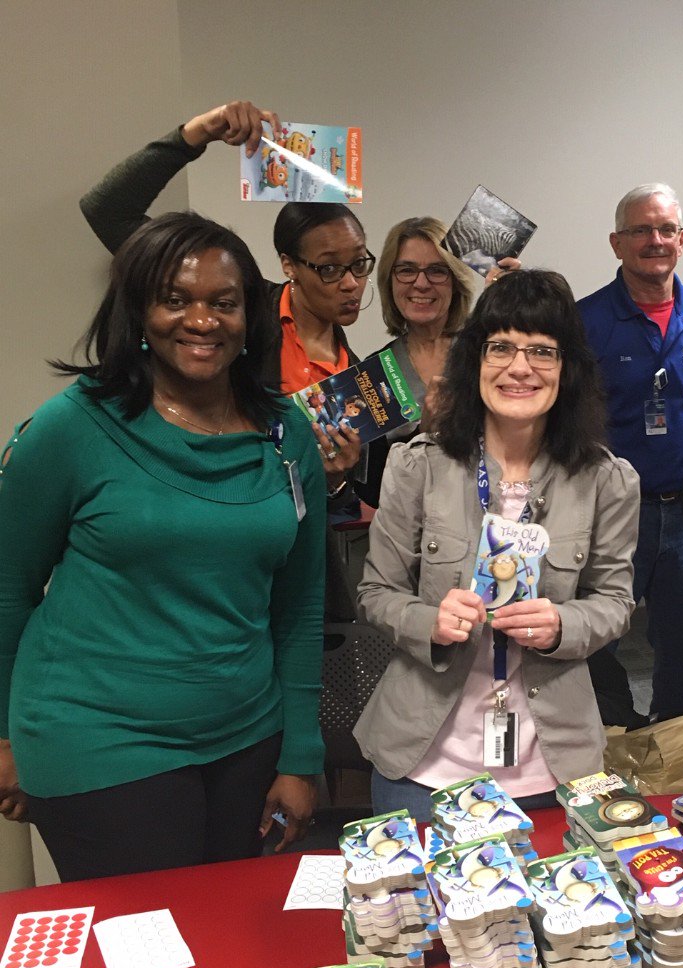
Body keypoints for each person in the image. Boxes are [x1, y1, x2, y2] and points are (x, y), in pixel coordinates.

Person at [0, 212, 326, 880]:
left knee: (238, 941)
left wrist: (302, 755)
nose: (201, 321)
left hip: (246, 737)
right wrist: (3, 736)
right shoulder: (75, 427)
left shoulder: (286, 434)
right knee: (146, 959)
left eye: (224, 303)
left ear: (250, 315)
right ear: (138, 311)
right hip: (99, 737)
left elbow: (300, 604)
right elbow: (8, 586)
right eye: (175, 299)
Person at [355, 270, 639, 823]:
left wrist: (564, 625)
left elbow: (615, 602)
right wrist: (427, 622)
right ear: (475, 362)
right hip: (423, 766)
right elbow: (376, 592)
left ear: (567, 370)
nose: (519, 367)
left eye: (542, 351)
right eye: (501, 347)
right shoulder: (419, 466)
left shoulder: (608, 480)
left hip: (550, 768)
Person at [79, 100, 371, 616]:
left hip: (282, 568)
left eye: (359, 265)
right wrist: (195, 135)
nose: (350, 284)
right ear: (290, 265)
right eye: (329, 269)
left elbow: (319, 495)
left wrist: (336, 478)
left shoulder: (360, 372)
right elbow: (107, 210)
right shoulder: (234, 314)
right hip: (186, 541)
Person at [578, 183, 683, 723]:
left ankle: (679, 750)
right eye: (641, 230)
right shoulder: (585, 320)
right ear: (617, 243)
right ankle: (605, 744)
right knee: (596, 643)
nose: (655, 240)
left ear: (682, 240)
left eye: (665, 230)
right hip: (613, 514)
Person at [351, 216, 474, 508]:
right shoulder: (375, 372)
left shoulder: (486, 355)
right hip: (411, 540)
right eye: (406, 270)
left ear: (456, 281)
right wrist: (422, 435)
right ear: (389, 281)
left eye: (437, 271)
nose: (421, 283)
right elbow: (372, 492)